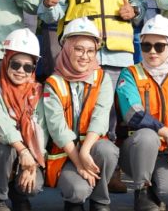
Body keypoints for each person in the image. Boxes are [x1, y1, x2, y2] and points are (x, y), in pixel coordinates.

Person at [115, 15, 168, 211]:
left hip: (166, 151)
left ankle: (157, 188)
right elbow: (133, 114)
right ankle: (142, 191)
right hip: (135, 149)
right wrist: (167, 132)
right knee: (147, 136)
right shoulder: (130, 74)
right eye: (146, 46)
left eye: (159, 46)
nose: (152, 51)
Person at [43, 18, 119, 211]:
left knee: (108, 150)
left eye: (90, 51)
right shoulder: (53, 83)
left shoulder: (102, 79)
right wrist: (79, 162)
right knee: (77, 191)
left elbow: (100, 118)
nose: (85, 56)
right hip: (65, 155)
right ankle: (74, 202)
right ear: (67, 48)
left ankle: (100, 202)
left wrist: (85, 152)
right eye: (79, 49)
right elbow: (58, 129)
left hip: (91, 150)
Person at [0, 28, 46, 211]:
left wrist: (32, 163)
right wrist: (23, 151)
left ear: (34, 69)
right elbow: (2, 126)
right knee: (6, 146)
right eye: (15, 64)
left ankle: (18, 195)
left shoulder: (39, 91)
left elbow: (42, 131)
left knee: (34, 186)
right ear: (6, 62)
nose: (20, 71)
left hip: (29, 154)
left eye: (27, 67)